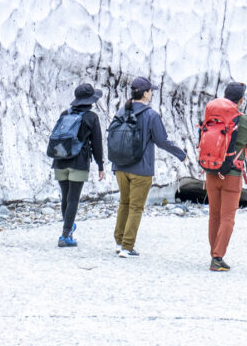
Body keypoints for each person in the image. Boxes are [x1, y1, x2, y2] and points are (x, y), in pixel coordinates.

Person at [112, 75, 186, 257]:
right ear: (145, 93)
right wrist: (181, 155)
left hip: (120, 166)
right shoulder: (151, 115)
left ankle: (119, 241)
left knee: (124, 203)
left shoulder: (121, 111)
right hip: (141, 169)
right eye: (150, 90)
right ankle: (127, 247)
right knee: (136, 207)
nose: (152, 93)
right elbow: (162, 141)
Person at [205, 81, 247, 272]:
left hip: (211, 171)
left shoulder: (212, 115)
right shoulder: (245, 120)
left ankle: (214, 253)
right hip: (233, 174)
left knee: (214, 215)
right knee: (228, 217)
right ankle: (217, 258)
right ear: (241, 100)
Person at [52, 82, 105, 247]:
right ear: (90, 100)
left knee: (66, 197)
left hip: (59, 160)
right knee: (74, 198)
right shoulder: (91, 117)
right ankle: (65, 235)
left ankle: (68, 227)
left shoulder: (64, 113)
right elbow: (97, 143)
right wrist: (100, 165)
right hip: (79, 163)